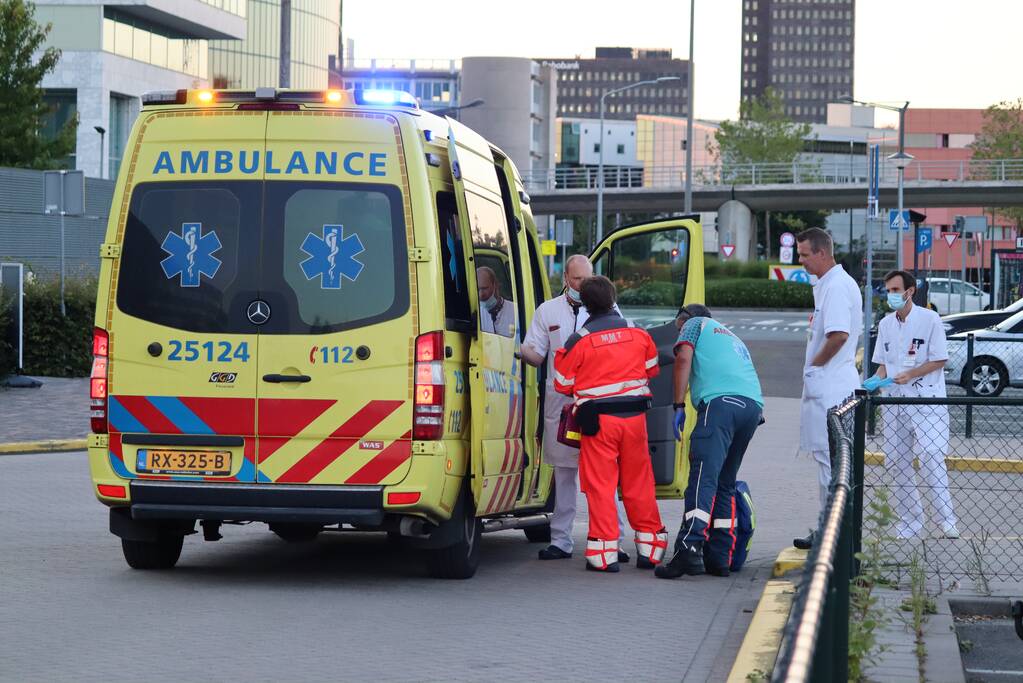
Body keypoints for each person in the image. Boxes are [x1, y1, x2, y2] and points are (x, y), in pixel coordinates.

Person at [553, 276, 668, 572]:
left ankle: (604, 556)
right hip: (635, 421)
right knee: (639, 483)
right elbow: (652, 369)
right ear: (613, 298)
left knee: (601, 487)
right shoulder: (638, 333)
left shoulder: (579, 340)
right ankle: (651, 550)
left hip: (598, 424)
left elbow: (562, 383)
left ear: (584, 303)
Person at [521, 255, 629, 562]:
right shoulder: (548, 311)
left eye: (588, 279)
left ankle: (612, 539)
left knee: (603, 476)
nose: (583, 286)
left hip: (597, 402)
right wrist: (515, 351)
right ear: (566, 279)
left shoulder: (610, 311)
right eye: (578, 280)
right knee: (565, 475)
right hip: (563, 403)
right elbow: (536, 352)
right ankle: (561, 540)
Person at [656, 304, 765, 579]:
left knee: (703, 478)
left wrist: (678, 405)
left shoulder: (695, 325)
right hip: (751, 409)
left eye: (678, 328)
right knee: (725, 482)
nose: (679, 335)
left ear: (684, 320)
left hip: (720, 406)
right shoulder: (731, 337)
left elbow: (683, 359)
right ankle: (719, 557)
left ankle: (688, 551)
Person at [869, 270, 959, 539]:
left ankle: (947, 519)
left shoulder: (930, 320)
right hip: (894, 403)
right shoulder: (885, 324)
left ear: (910, 291)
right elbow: (884, 364)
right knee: (897, 462)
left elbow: (939, 359)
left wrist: (912, 373)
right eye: (888, 290)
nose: (891, 295)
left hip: (925, 400)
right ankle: (910, 521)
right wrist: (872, 382)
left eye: (896, 290)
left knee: (931, 456)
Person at [794, 228, 862, 550]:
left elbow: (838, 336)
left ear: (822, 253)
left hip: (831, 387)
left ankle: (829, 535)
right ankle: (828, 529)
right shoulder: (832, 285)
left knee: (830, 467)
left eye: (805, 255)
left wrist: (814, 367)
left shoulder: (835, 287)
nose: (801, 261)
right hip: (832, 384)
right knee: (831, 466)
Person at [477, 266, 515, 336]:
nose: (481, 294)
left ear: (495, 285)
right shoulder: (476, 315)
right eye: (478, 289)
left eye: (484, 288)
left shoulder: (515, 311)